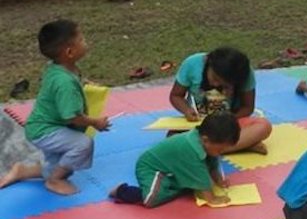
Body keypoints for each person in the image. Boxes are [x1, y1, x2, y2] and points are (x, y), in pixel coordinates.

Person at [0, 20, 110, 195]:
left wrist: (83, 84)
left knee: (60, 165)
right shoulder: (64, 82)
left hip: (42, 126)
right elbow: (72, 117)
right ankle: (54, 180)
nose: (85, 42)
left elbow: (65, 84)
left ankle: (23, 171)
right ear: (69, 52)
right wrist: (96, 122)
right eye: (81, 40)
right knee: (83, 145)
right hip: (46, 130)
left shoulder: (58, 67)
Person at [108, 112, 240, 207]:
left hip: (171, 170)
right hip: (152, 168)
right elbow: (200, 174)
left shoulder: (205, 143)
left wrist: (219, 180)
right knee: (151, 200)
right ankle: (122, 191)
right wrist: (212, 198)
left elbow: (213, 163)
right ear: (205, 140)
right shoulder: (191, 148)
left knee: (191, 185)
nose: (220, 154)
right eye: (220, 150)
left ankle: (178, 183)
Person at [168, 47, 272, 155]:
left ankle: (208, 149)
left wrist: (228, 120)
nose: (216, 85)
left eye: (225, 85)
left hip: (230, 124)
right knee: (172, 137)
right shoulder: (192, 64)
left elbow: (248, 107)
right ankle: (241, 145)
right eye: (215, 78)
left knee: (264, 126)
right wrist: (187, 110)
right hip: (199, 124)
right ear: (209, 63)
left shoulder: (245, 73)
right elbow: (176, 95)